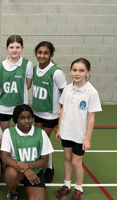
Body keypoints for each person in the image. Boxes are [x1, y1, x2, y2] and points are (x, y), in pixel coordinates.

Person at [55, 58, 102, 200]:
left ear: (88, 72)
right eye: (74, 70)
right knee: (67, 158)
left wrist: (87, 138)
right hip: (66, 132)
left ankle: (79, 188)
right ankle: (66, 185)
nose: (77, 73)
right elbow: (63, 109)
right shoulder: (68, 88)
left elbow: (91, 118)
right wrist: (59, 128)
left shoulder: (91, 92)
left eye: (82, 70)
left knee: (76, 162)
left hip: (80, 135)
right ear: (70, 71)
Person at [0, 104, 54, 200]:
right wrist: (25, 170)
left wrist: (28, 166)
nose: (26, 121)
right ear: (16, 119)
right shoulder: (8, 132)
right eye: (22, 118)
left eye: (29, 117)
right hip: (16, 169)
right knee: (11, 174)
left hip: (35, 170)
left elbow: (44, 160)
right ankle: (13, 192)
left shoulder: (41, 133)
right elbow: (4, 157)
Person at [32, 41, 67, 183]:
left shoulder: (56, 72)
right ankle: (43, 166)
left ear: (51, 55)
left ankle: (49, 168)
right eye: (39, 52)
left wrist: (63, 117)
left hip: (50, 113)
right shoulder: (34, 69)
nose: (42, 55)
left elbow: (64, 94)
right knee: (39, 141)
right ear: (36, 54)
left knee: (43, 141)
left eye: (46, 53)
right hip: (37, 112)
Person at [0, 35, 33, 132]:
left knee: (20, 133)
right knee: (4, 134)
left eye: (17, 47)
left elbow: (28, 85)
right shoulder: (0, 66)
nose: (14, 50)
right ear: (7, 48)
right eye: (11, 47)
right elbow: (1, 87)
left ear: (22, 48)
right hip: (4, 105)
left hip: (20, 105)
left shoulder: (27, 64)